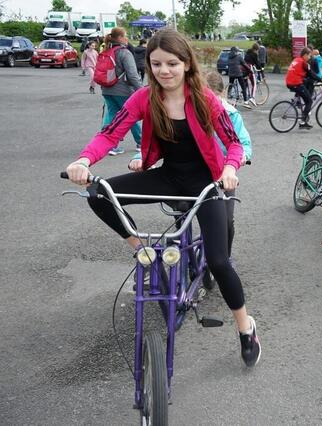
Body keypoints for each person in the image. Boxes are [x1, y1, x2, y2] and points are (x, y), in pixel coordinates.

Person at [65, 29, 261, 367]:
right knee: (98, 195)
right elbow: (111, 133)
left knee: (218, 260)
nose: (164, 70)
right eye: (156, 64)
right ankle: (141, 251)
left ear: (186, 64)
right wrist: (84, 160)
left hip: (207, 184)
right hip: (169, 177)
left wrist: (230, 169)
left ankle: (246, 327)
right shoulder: (143, 98)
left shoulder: (204, 99)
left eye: (172, 63)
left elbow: (234, 144)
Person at [204, 70, 253, 257]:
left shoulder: (232, 115)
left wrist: (242, 157)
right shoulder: (190, 112)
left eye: (213, 97)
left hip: (224, 174)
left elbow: (243, 143)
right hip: (196, 172)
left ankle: (225, 257)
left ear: (221, 94)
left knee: (226, 221)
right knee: (180, 213)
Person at [98, 27, 143, 156]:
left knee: (111, 116)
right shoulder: (124, 53)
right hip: (122, 90)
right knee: (131, 115)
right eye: (125, 35)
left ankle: (108, 144)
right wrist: (141, 90)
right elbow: (133, 75)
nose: (127, 38)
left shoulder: (107, 50)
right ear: (120, 38)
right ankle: (141, 142)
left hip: (107, 89)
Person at [284, 47, 321, 129]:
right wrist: (321, 80)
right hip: (295, 83)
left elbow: (305, 74)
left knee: (305, 95)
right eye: (309, 56)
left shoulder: (296, 60)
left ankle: (298, 103)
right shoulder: (304, 63)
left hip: (290, 82)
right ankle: (303, 122)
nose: (310, 57)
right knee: (309, 101)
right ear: (305, 55)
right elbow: (311, 73)